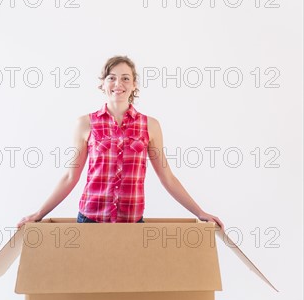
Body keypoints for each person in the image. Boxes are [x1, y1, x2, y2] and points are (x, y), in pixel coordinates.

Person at [16, 55, 224, 230]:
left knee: (130, 280)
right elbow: (70, 176)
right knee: (89, 280)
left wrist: (200, 212)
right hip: (90, 221)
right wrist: (39, 213)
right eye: (112, 78)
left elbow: (167, 177)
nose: (118, 84)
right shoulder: (85, 124)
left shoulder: (149, 125)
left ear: (134, 85)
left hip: (131, 224)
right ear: (103, 84)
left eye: (126, 78)